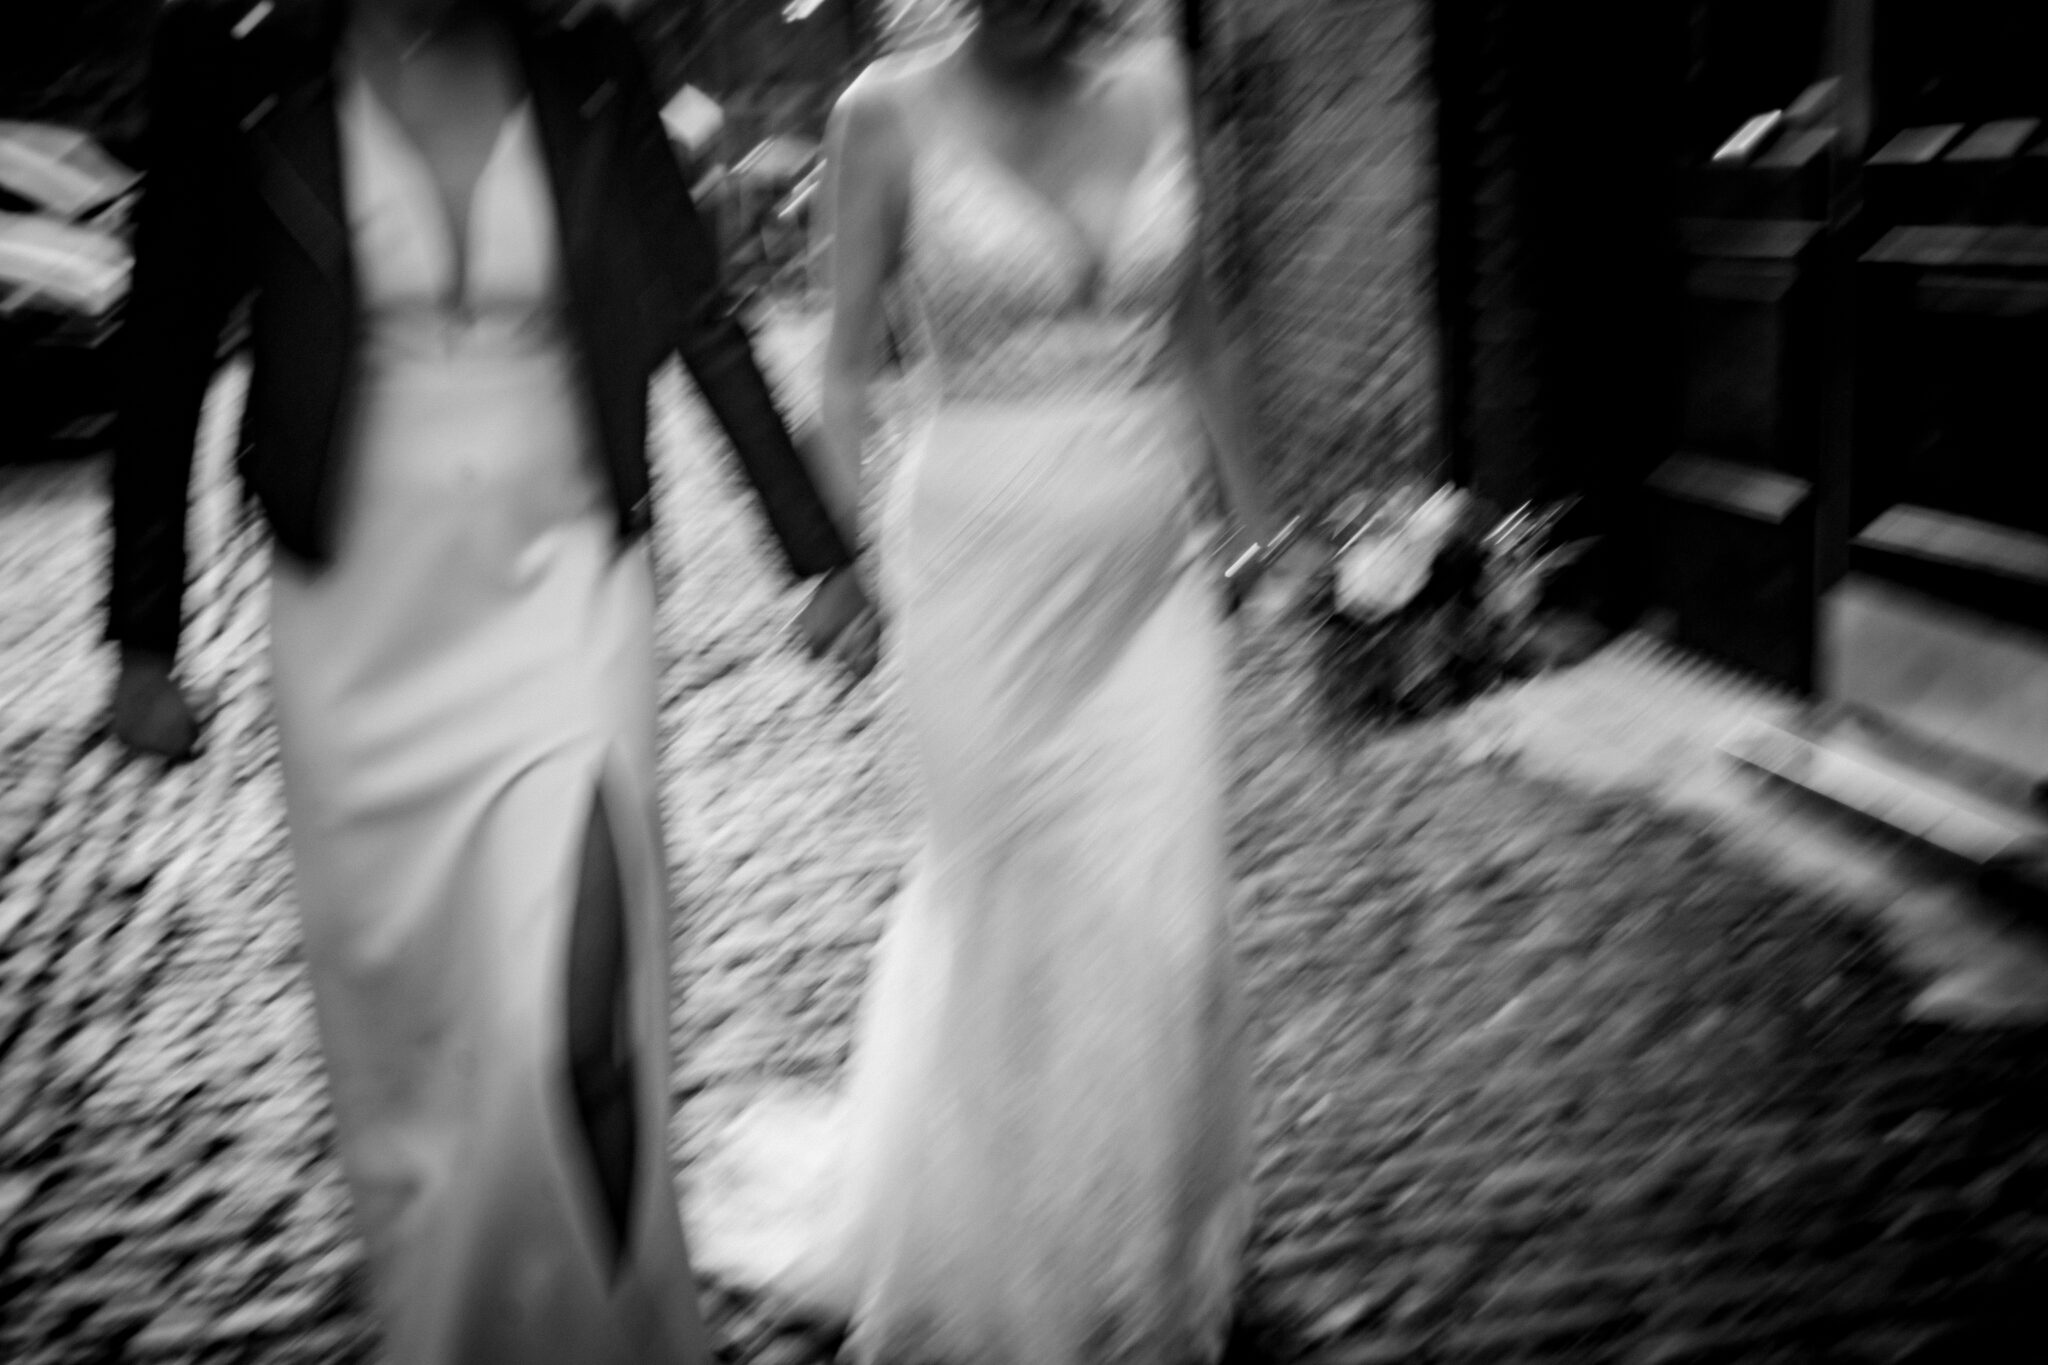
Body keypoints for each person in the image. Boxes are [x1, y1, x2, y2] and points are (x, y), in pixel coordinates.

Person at [104, 0, 879, 1360]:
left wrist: (816, 553)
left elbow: (700, 309)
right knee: (423, 1061)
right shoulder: (241, 66)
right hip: (358, 622)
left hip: (569, 593)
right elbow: (164, 343)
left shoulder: (588, 67)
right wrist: (143, 642)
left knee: (574, 1018)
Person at [684, 1, 1308, 1360]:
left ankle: (1140, 1248)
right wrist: (832, 564)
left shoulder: (1159, 83)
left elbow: (1202, 327)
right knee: (1001, 899)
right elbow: (847, 367)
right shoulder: (883, 114)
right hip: (978, 578)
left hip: (1149, 576)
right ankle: (997, 1264)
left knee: (1166, 903)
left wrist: (1261, 526)